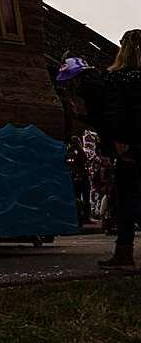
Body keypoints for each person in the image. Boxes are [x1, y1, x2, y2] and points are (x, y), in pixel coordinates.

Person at [59, 31, 141, 270]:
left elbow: (111, 115)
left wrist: (116, 143)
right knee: (128, 200)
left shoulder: (116, 80)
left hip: (127, 147)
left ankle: (124, 255)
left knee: (127, 200)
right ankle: (123, 255)